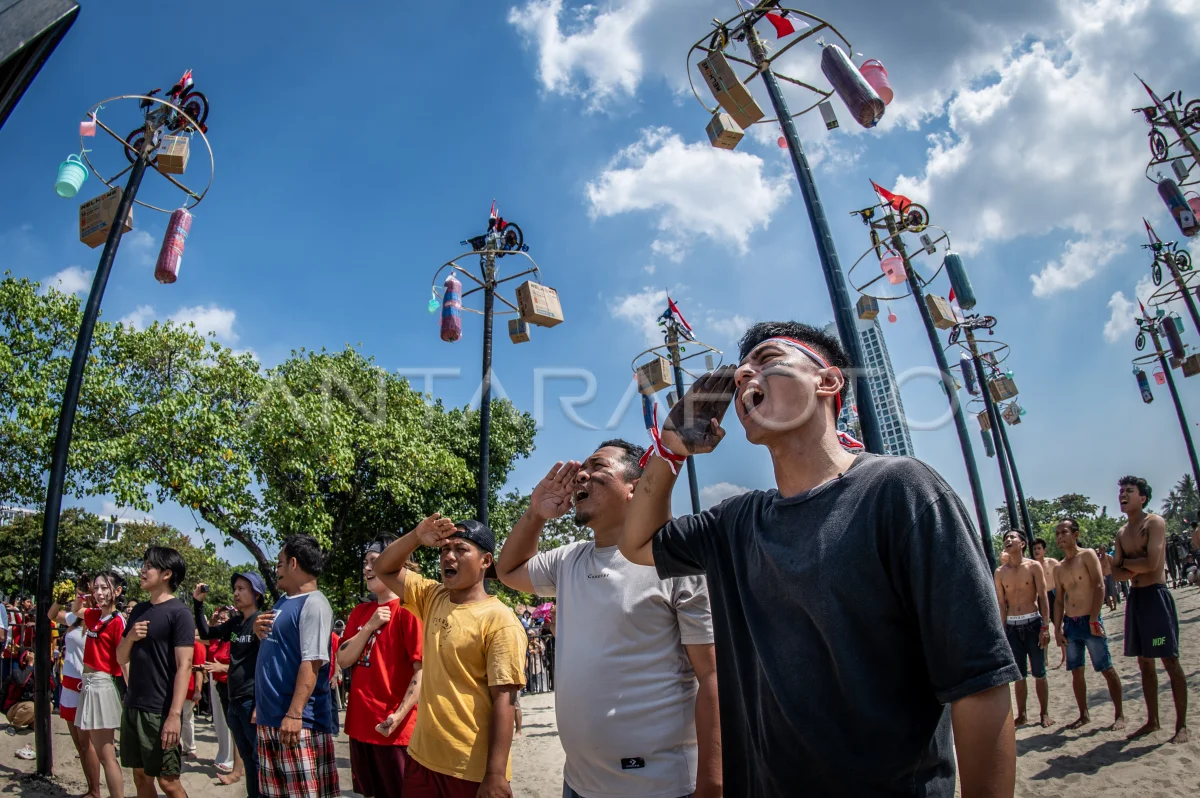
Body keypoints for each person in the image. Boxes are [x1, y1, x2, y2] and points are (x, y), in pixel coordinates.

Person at [618, 321, 1019, 797]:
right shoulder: (735, 522)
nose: (743, 377)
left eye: (767, 360)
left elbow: (980, 684)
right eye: (741, 372)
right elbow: (638, 543)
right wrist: (671, 447)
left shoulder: (900, 490)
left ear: (827, 381)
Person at [496, 442, 721, 798]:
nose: (580, 475)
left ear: (636, 487)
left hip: (661, 788)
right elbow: (508, 570)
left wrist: (712, 785)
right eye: (581, 469)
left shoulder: (676, 562)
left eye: (597, 466)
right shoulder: (568, 559)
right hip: (578, 783)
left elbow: (712, 675)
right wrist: (536, 514)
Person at [374, 515, 527, 798]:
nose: (449, 556)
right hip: (421, 759)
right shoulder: (433, 596)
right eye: (445, 549)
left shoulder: (500, 621)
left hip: (469, 769)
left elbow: (504, 701)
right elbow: (383, 567)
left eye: (461, 549)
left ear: (486, 561)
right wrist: (416, 536)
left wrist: (495, 774)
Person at [337, 535, 424, 798]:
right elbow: (343, 659)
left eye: (374, 561)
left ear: (396, 564)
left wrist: (398, 715)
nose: (367, 568)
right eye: (365, 562)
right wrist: (369, 626)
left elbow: (422, 671)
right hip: (360, 727)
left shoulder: (409, 610)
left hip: (395, 731)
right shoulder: (359, 613)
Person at [253, 535, 339, 798]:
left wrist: (294, 714)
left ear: (293, 563)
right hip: (272, 720)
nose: (276, 569)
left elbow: (311, 662)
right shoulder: (283, 601)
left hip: (298, 725)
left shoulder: (314, 604)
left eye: (279, 563)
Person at [1111, 475, 1189, 743]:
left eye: (1129, 491)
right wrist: (1131, 565)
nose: (1123, 495)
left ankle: (1181, 725)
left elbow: (1152, 564)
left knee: (1168, 658)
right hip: (1136, 600)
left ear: (1142, 498)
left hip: (1155, 598)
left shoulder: (1154, 522)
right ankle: (1152, 721)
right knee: (1144, 662)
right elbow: (1116, 575)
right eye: (1121, 491)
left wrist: (1126, 564)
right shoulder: (1121, 533)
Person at [116, 547, 196, 798]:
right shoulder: (139, 610)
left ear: (166, 574)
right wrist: (130, 637)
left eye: (149, 566)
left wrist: (174, 716)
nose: (143, 570)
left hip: (160, 711)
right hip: (133, 706)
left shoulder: (180, 613)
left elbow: (185, 666)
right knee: (140, 777)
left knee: (168, 782)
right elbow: (120, 657)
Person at [195, 572, 268, 798]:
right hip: (233, 700)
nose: (236, 593)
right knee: (247, 757)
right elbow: (207, 633)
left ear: (256, 594)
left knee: (258, 759)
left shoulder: (261, 621)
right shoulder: (236, 623)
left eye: (242, 588)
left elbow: (266, 665)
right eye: (235, 588)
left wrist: (260, 704)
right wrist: (198, 604)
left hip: (251, 701)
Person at [1051, 519, 1125, 730]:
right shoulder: (1059, 568)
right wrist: (1057, 628)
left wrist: (1094, 617)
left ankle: (1119, 714)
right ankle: (1083, 714)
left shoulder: (1087, 555)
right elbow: (1059, 600)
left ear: (1075, 534)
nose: (1060, 537)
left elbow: (1100, 586)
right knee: (1076, 671)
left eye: (1064, 532)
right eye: (1057, 534)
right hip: (1071, 623)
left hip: (1089, 620)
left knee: (1106, 667)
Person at [73, 572, 128, 798]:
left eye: (104, 587)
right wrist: (80, 593)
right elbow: (76, 610)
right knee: (96, 749)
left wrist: (131, 692)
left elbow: (124, 660)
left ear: (117, 591)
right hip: (88, 685)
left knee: (107, 755)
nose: (99, 592)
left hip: (103, 685)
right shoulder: (95, 615)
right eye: (95, 588)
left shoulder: (117, 621)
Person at [993, 530, 1052, 727]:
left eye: (1012, 537)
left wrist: (1045, 626)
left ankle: (1044, 713)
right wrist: (1002, 631)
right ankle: (1023, 714)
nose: (1008, 540)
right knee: (1019, 675)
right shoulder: (1000, 572)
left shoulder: (1033, 566)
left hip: (1033, 623)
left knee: (1039, 672)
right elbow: (1002, 604)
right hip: (1012, 626)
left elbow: (1043, 597)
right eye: (1006, 538)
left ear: (1023, 543)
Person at [51, 587, 101, 798]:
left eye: (84, 596)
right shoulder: (73, 619)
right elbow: (52, 615)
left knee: (87, 743)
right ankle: (90, 788)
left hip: (85, 684)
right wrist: (59, 600)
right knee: (79, 744)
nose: (79, 599)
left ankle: (95, 791)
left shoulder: (96, 620)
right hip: (68, 684)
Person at [204, 607, 237, 777]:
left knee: (230, 723)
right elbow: (201, 634)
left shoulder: (234, 637)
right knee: (220, 721)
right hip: (217, 682)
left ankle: (233, 760)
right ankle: (224, 754)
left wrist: (221, 667)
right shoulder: (218, 638)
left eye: (224, 619)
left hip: (230, 684)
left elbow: (240, 663)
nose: (221, 621)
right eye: (219, 618)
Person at [180, 630, 207, 760]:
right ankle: (183, 747)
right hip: (176, 687)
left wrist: (197, 690)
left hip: (189, 688)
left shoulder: (197, 644)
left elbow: (200, 669)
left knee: (186, 718)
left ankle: (190, 748)